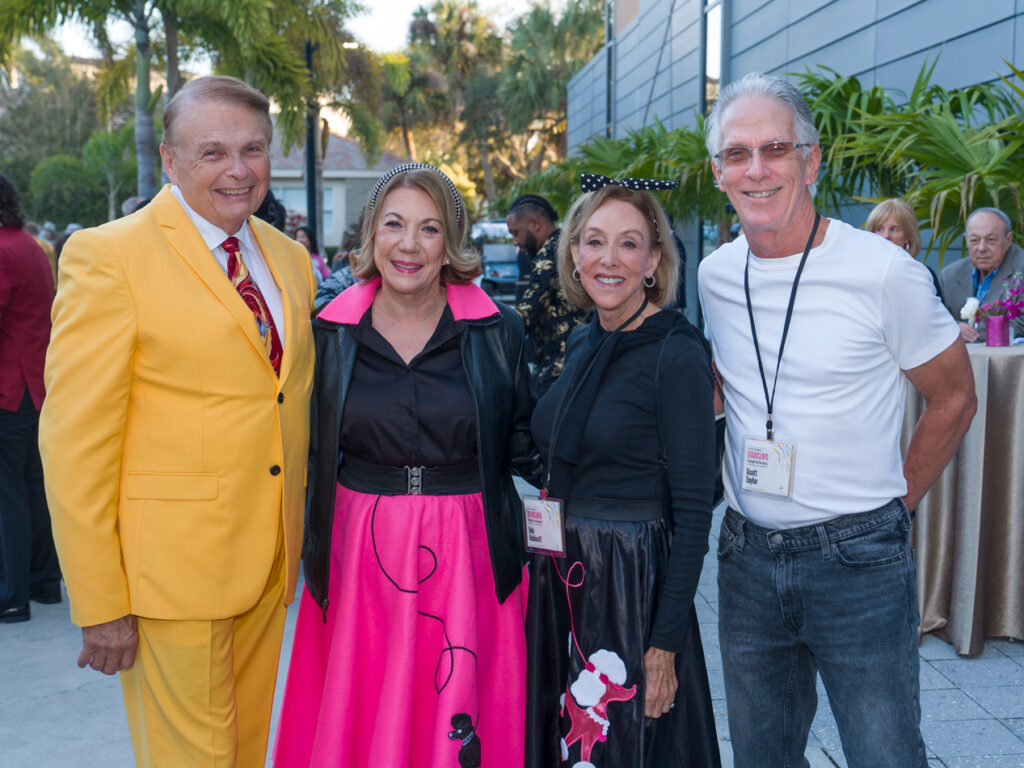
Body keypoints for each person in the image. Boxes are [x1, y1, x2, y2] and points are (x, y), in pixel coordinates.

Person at [697, 72, 977, 768]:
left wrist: (894, 506)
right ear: (718, 173)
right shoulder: (714, 276)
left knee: (885, 755)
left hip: (859, 564)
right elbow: (727, 390)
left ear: (811, 161)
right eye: (738, 154)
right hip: (745, 558)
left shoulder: (884, 273)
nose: (756, 170)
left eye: (775, 149)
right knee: (762, 756)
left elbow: (956, 396)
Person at [38, 76, 316, 766]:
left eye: (252, 150)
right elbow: (75, 443)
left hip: (268, 565)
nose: (238, 170)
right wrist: (100, 599)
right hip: (169, 580)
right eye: (212, 152)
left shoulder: (288, 260)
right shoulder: (109, 256)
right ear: (168, 158)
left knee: (247, 751)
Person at [273, 162, 542, 768]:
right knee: (366, 711)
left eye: (429, 228)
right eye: (394, 225)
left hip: (471, 551)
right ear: (372, 235)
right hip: (359, 552)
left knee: (460, 713)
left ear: (451, 242)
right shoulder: (328, 332)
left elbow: (528, 442)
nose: (409, 245)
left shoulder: (500, 331)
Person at [526, 177, 721, 768]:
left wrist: (662, 645)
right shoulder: (587, 341)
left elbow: (692, 514)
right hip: (566, 575)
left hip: (631, 582)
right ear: (574, 254)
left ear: (654, 261)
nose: (608, 259)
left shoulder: (677, 353)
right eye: (594, 242)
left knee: (626, 746)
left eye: (628, 244)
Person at [0, 174, 61, 623]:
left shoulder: (2, 250)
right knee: (33, 489)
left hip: (10, 386)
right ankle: (42, 583)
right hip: (37, 384)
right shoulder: (32, 245)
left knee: (9, 494)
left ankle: (13, 593)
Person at [508, 193, 589, 395]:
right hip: (579, 360)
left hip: (559, 370)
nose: (515, 242)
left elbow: (528, 310)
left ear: (534, 224)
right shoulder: (567, 245)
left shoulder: (549, 254)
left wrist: (493, 326)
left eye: (516, 233)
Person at [939, 207, 1024, 341]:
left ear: (1008, 240)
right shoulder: (950, 275)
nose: (981, 248)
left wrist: (971, 333)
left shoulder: (1021, 268)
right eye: (974, 240)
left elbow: (1021, 322)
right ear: (966, 239)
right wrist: (953, 328)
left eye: (990, 240)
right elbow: (937, 320)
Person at [865, 198, 942, 297]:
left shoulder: (923, 276)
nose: (886, 236)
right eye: (879, 229)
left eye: (894, 229)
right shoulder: (861, 273)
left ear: (908, 237)